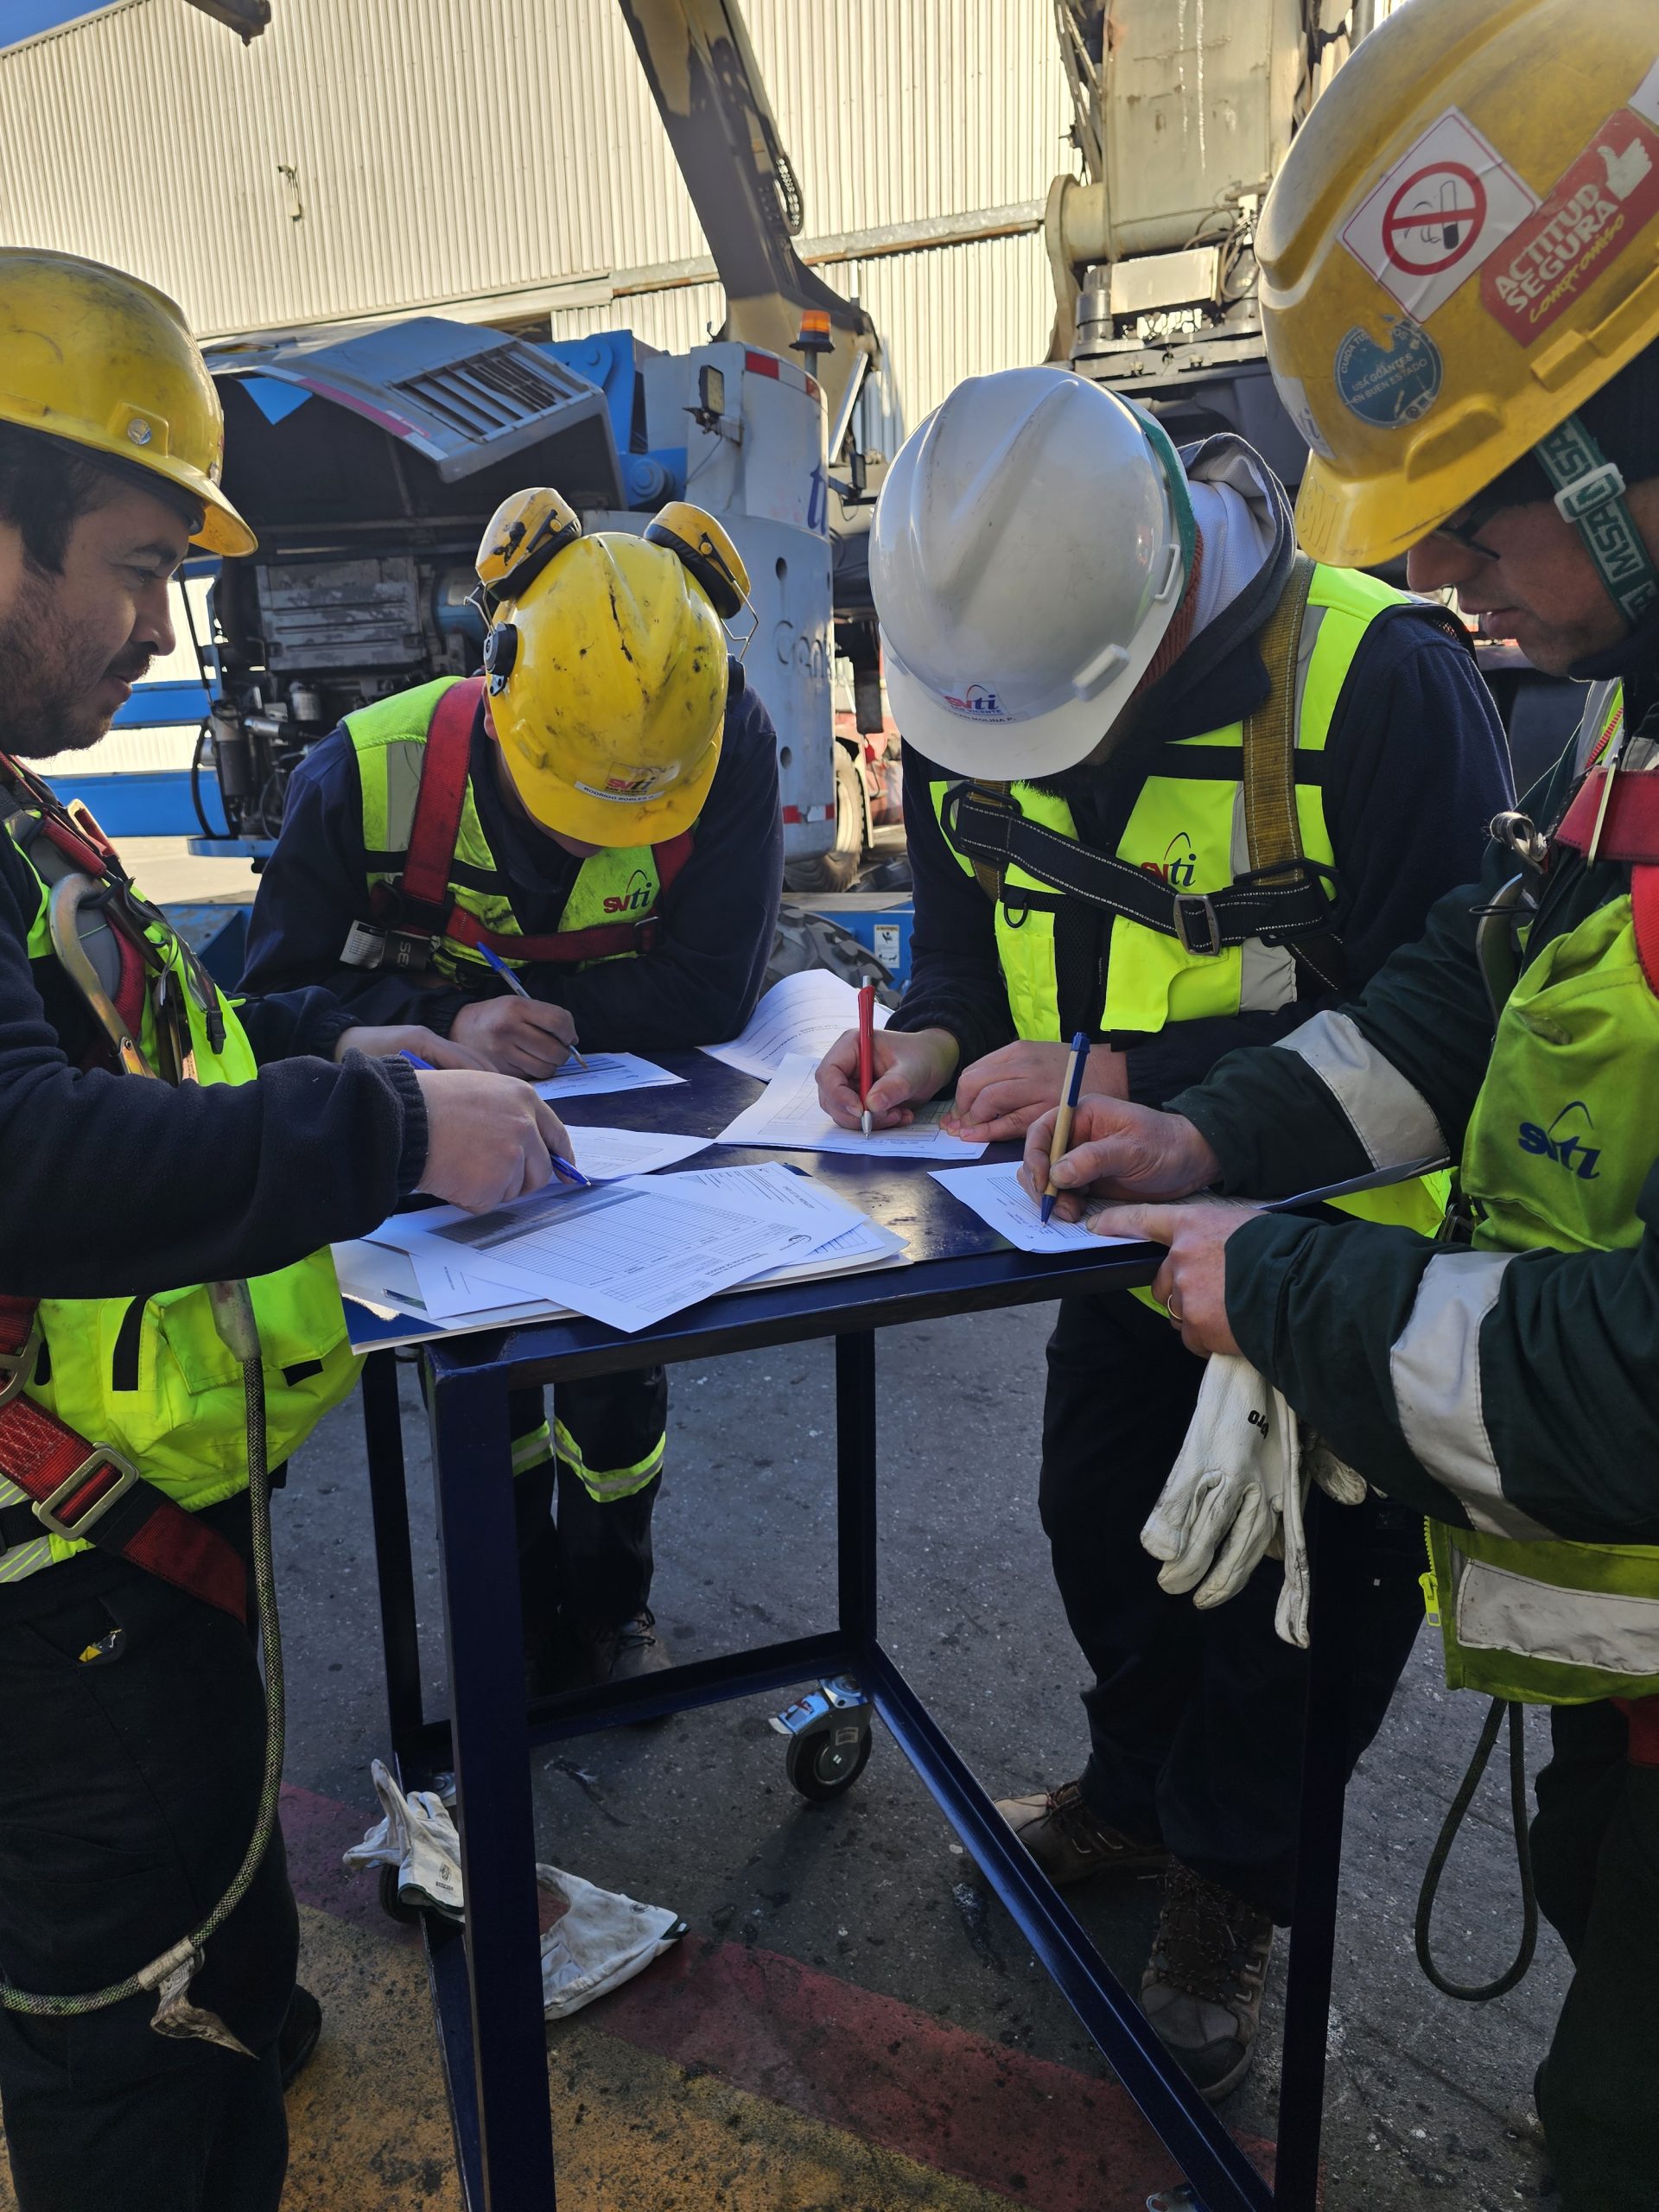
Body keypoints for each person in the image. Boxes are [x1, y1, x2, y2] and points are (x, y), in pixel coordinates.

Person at [1015, 3, 1659, 2200]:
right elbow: (1453, 1005)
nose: (1449, 569)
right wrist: (1213, 1140)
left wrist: (1280, 1284)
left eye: (1472, 505)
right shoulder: (1628, 745)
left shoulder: (1450, 698)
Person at [816, 363, 1513, 2095]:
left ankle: (1228, 1888)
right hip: (1110, 1245)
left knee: (1292, 1618)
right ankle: (1136, 1798)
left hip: (1329, 1255)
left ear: (1170, 601)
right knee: (1097, 1524)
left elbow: (1465, 1014)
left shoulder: (1383, 685)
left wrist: (1148, 1070)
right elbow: (971, 929)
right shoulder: (992, 665)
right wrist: (929, 1029)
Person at [0, 250, 571, 2210]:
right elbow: (30, 1157)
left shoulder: (17, 811)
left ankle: (233, 2007)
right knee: (124, 2051)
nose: (159, 631)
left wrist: (373, 1037)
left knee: (210, 1934)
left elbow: (162, 1051)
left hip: (127, 1548)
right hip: (46, 1603)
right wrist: (395, 1121)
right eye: (134, 564)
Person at [241, 487, 782, 1688]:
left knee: (616, 1379)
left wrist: (559, 1025)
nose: (600, 843)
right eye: (574, 808)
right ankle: (519, 1614)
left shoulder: (719, 737)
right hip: (444, 1146)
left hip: (636, 1150)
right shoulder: (366, 774)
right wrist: (445, 1023)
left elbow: (715, 989)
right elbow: (266, 1008)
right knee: (480, 1386)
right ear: (499, 692)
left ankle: (610, 1605)